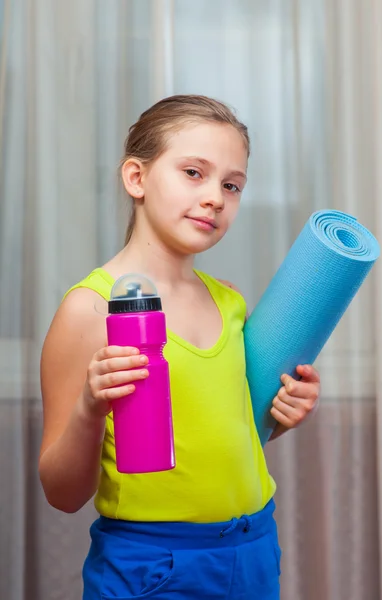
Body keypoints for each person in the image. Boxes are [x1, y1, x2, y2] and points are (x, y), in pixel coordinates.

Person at [39, 94, 320, 599]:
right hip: (152, 564)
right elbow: (61, 494)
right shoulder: (89, 309)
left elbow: (227, 436)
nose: (215, 196)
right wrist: (89, 408)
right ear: (137, 178)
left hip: (253, 548)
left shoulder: (230, 303)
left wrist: (279, 413)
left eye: (231, 185)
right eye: (194, 172)